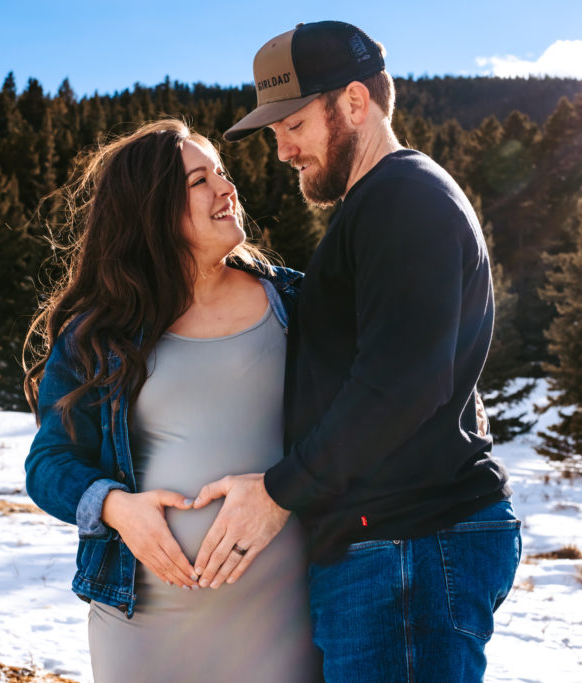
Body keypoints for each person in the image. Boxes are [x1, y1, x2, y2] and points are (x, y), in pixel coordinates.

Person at [189, 21, 522, 682]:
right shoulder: (382, 206)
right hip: (394, 549)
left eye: (294, 125)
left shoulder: (403, 200)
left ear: (353, 103)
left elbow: (400, 383)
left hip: (409, 550)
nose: (282, 151)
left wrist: (279, 492)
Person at [22, 119, 318, 682]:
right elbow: (48, 463)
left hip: (281, 617)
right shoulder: (101, 330)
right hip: (144, 623)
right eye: (199, 181)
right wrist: (116, 507)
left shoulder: (295, 303)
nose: (227, 189)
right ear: (150, 210)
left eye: (224, 174)